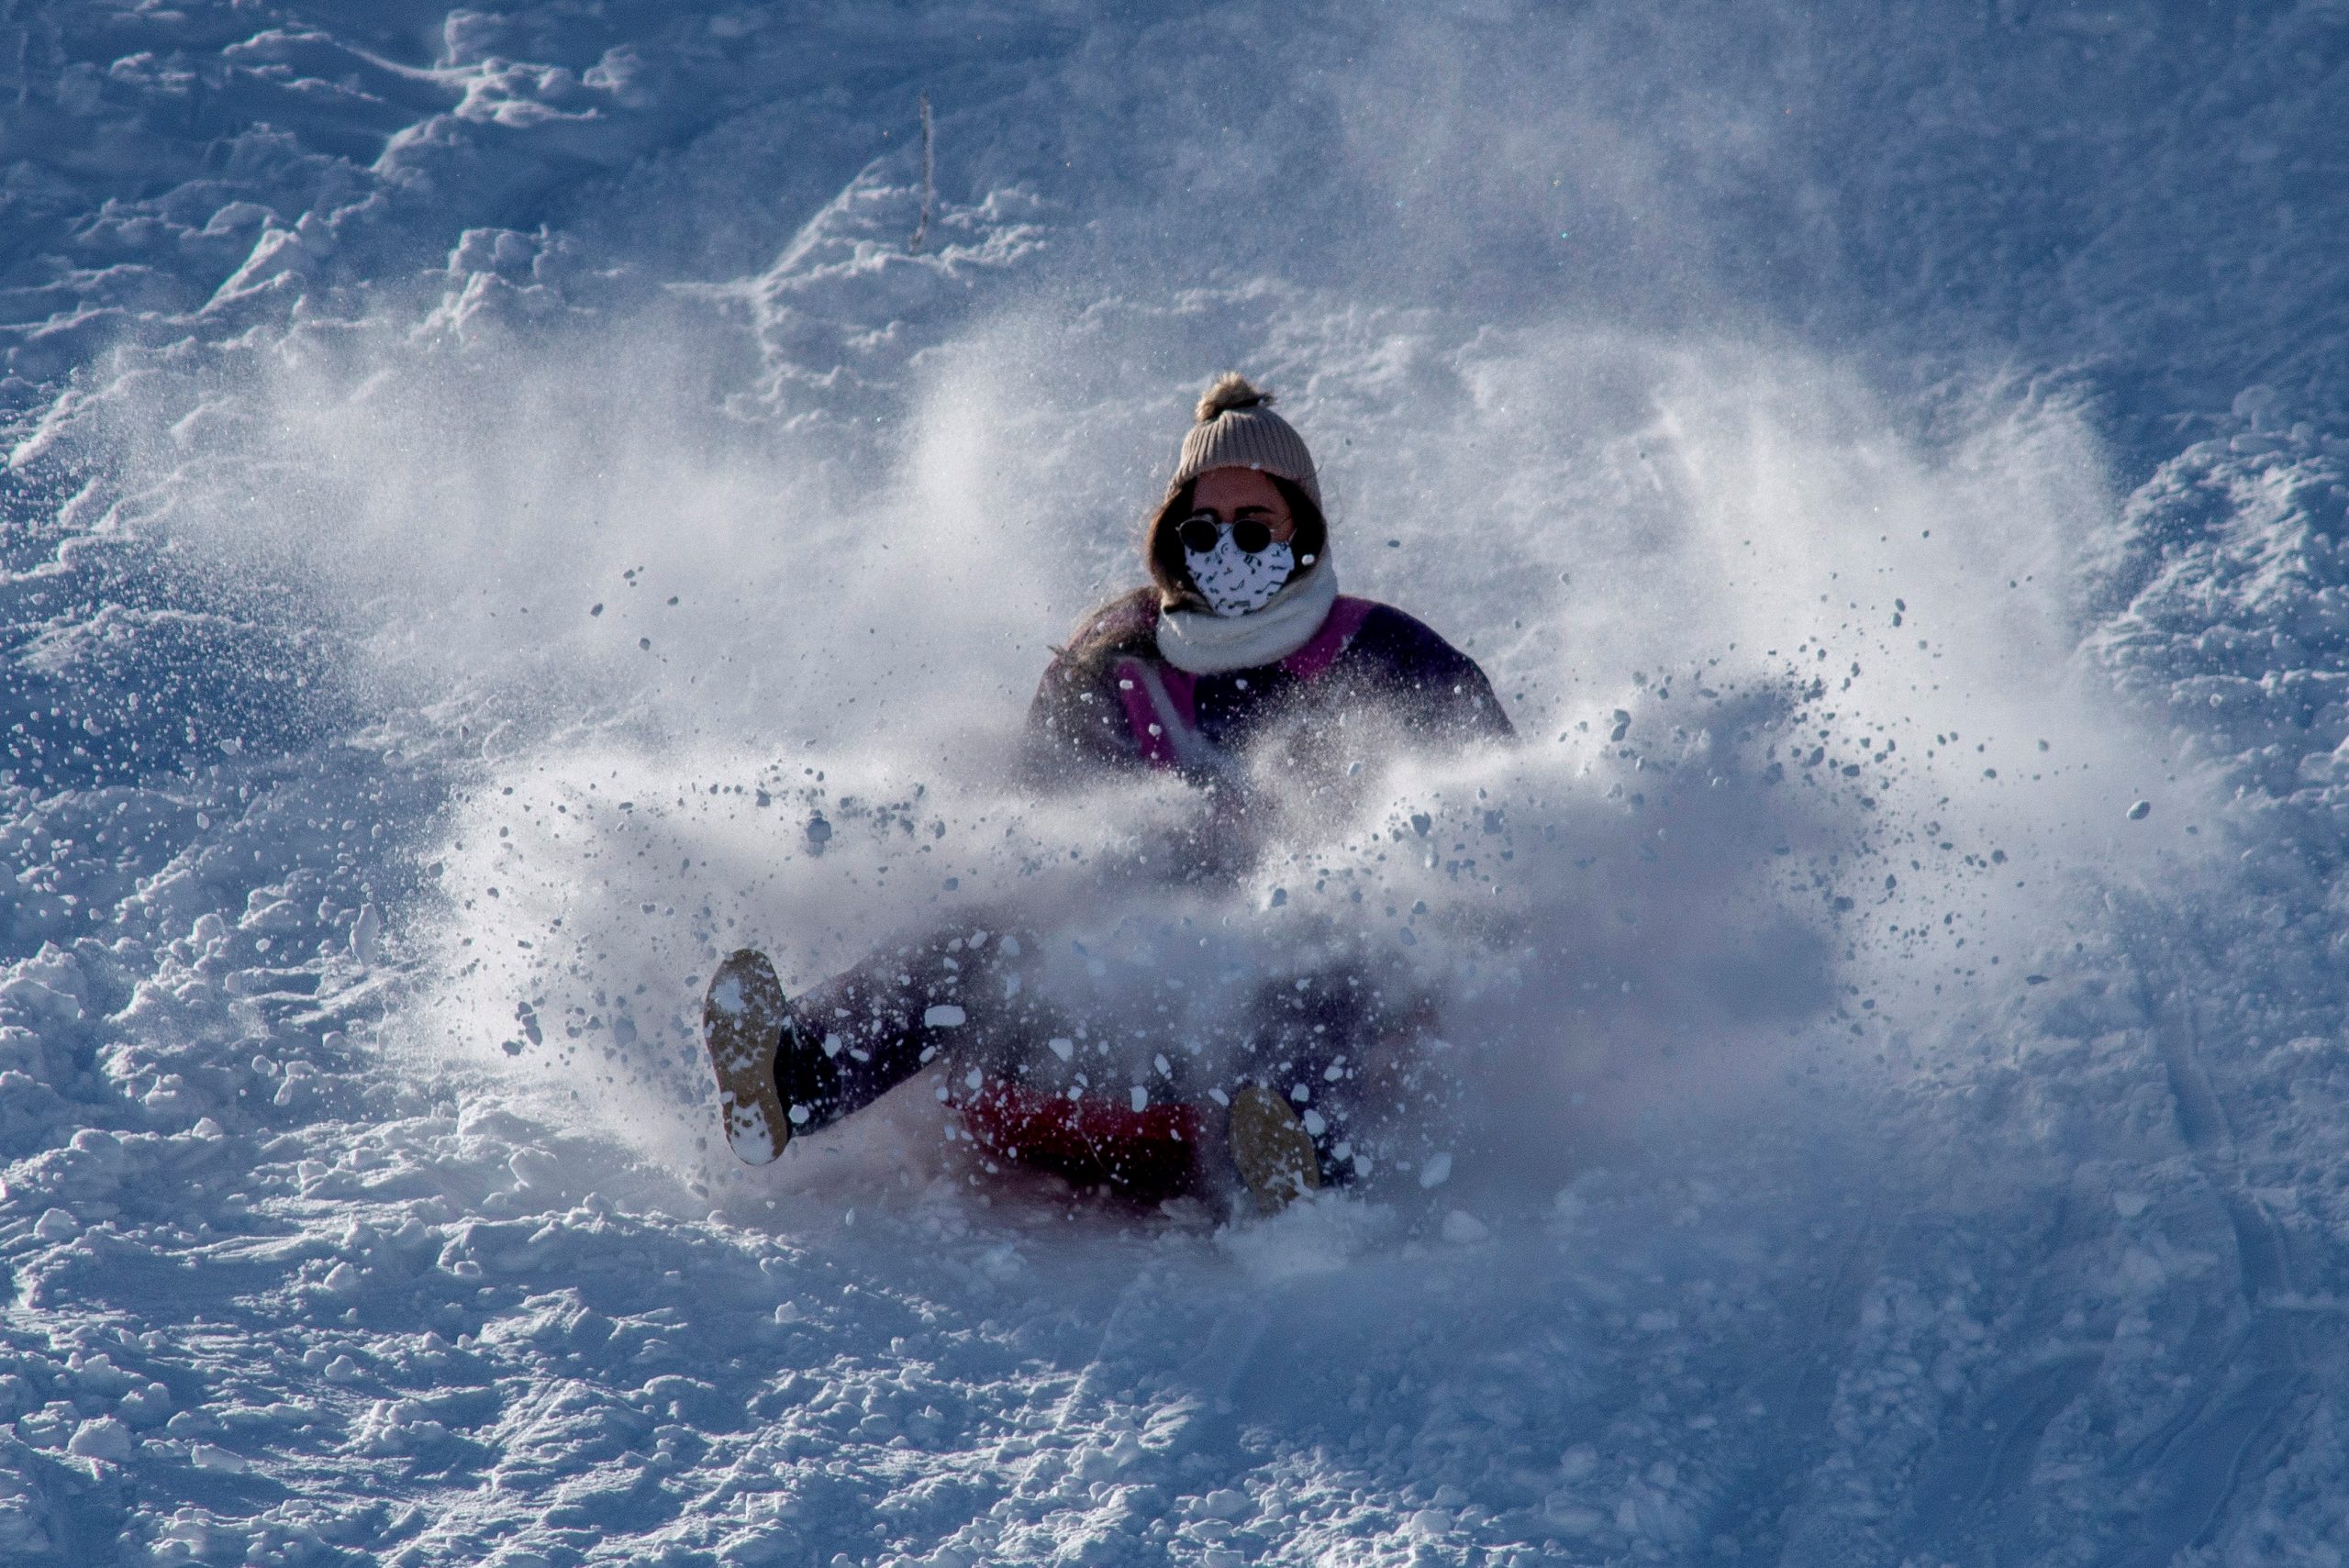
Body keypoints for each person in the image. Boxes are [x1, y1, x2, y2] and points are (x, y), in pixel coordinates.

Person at [704, 373, 1512, 1211]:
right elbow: (1036, 825)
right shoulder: (1118, 654)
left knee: (1327, 960)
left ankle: (1295, 1155)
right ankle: (791, 1071)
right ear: (1171, 537)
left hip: (1265, 1019)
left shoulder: (1387, 657)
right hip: (1113, 1003)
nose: (1226, 547)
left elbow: (1491, 826)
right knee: (990, 925)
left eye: (1254, 525)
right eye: (1204, 528)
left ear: (1302, 531)